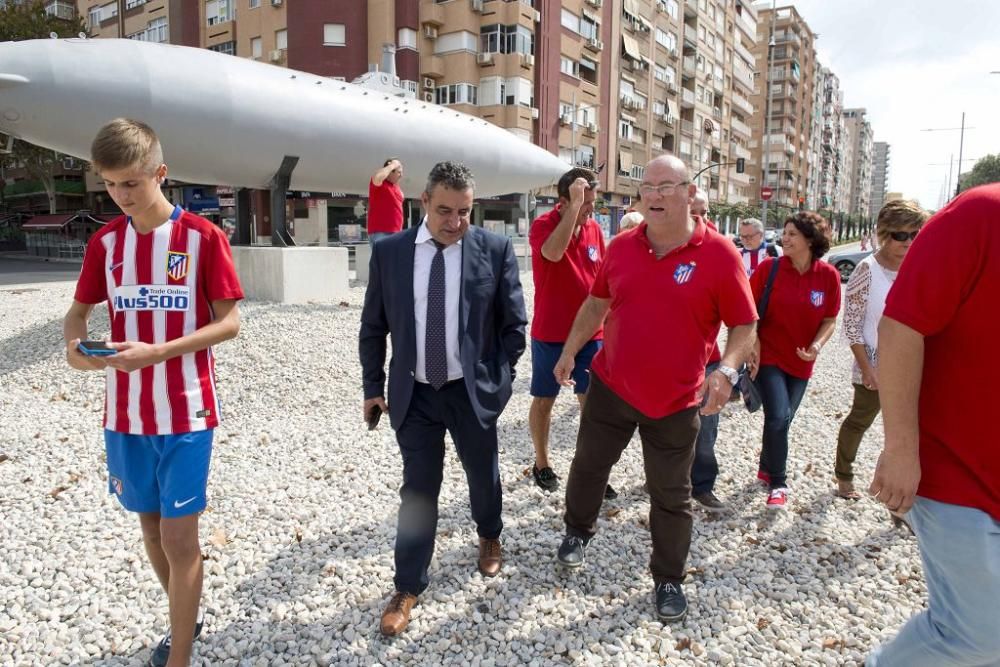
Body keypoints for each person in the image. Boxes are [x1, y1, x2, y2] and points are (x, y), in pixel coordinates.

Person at [63, 118, 244, 667]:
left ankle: (181, 655)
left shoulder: (202, 237)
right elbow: (77, 315)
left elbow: (230, 322)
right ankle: (184, 618)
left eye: (131, 184)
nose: (121, 196)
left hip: (187, 410)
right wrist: (76, 349)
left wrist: (159, 352)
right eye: (111, 184)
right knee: (149, 526)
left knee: (180, 539)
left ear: (160, 173)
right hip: (123, 415)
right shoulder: (106, 242)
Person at [553, 155, 757, 623]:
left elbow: (744, 323)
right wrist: (569, 352)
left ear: (690, 193)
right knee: (588, 468)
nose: (655, 195)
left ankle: (668, 579)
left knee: (671, 495)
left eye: (667, 186)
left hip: (676, 400)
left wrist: (726, 371)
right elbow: (595, 304)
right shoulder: (622, 246)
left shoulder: (720, 254)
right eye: (648, 187)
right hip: (611, 386)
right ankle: (576, 532)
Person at [359, 161, 527, 637]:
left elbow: (514, 325)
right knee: (418, 491)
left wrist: (499, 379)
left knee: (482, 474)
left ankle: (490, 533)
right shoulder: (390, 252)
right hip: (414, 395)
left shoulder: (493, 250)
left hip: (470, 391)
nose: (455, 222)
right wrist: (373, 386)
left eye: (465, 212)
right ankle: (408, 586)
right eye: (445, 211)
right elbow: (374, 327)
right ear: (423, 204)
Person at [866, 184, 1000, 667]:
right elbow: (900, 326)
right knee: (978, 634)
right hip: (957, 473)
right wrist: (901, 449)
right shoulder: (980, 214)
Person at [527, 168, 615, 499]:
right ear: (564, 201)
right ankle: (542, 462)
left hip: (591, 334)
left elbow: (603, 278)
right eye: (584, 202)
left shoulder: (594, 229)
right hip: (551, 333)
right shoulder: (544, 225)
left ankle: (590, 471)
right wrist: (575, 209)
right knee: (545, 399)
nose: (591, 209)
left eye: (592, 202)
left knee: (592, 404)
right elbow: (553, 253)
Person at [833, 200, 928, 500]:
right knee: (860, 421)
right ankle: (844, 475)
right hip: (874, 362)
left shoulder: (922, 267)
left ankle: (909, 493)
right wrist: (867, 368)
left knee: (916, 431)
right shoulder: (867, 269)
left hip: (916, 364)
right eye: (901, 235)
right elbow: (851, 325)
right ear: (885, 234)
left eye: (915, 234)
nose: (908, 242)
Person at [748, 211, 840, 510]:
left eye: (792, 234)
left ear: (811, 240)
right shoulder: (769, 269)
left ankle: (766, 466)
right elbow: (748, 313)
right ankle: (778, 483)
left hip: (802, 362)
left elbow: (829, 319)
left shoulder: (828, 277)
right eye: (784, 233)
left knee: (782, 420)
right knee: (778, 416)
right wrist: (755, 344)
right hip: (769, 356)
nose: (784, 239)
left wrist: (816, 345)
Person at [368, 157, 404, 244]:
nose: (401, 175)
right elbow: (377, 177)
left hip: (396, 233)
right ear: (390, 171)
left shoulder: (396, 187)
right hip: (381, 233)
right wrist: (393, 165)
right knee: (383, 257)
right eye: (399, 172)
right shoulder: (380, 184)